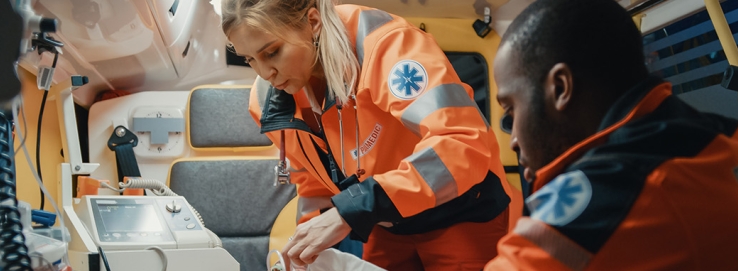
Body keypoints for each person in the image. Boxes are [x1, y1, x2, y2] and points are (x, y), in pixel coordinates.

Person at [484, 0, 738, 270]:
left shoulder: (621, 191)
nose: (514, 139)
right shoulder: (732, 139)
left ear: (561, 88)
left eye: (511, 110)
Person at [221, 0, 517, 270]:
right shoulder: (267, 103)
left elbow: (461, 144)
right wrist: (306, 245)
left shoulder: (388, 45)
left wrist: (351, 211)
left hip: (462, 211)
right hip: (387, 220)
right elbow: (312, 182)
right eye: (249, 59)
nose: (265, 73)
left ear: (312, 22)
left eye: (271, 52)